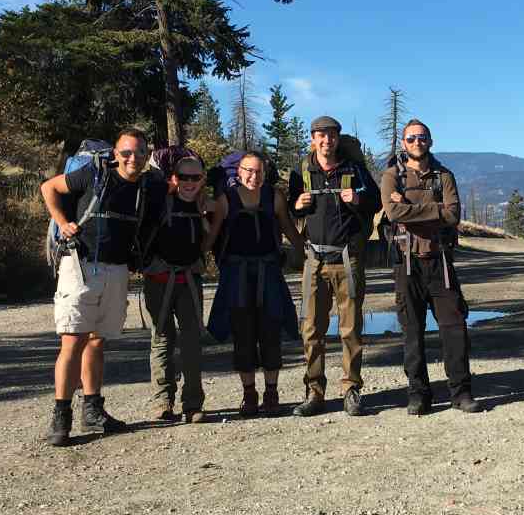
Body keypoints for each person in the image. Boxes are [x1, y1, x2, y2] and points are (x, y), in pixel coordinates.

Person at [40, 129, 162, 446]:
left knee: (97, 340)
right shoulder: (93, 174)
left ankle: (92, 409)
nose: (131, 158)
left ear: (147, 155)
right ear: (116, 154)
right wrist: (62, 221)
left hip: (117, 268)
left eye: (138, 153)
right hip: (79, 265)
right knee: (73, 341)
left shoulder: (146, 187)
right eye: (125, 152)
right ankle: (61, 417)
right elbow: (49, 188)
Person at [380, 119, 482, 415]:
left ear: (430, 141)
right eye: (411, 138)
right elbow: (393, 211)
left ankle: (461, 393)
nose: (417, 142)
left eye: (422, 137)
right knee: (412, 331)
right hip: (407, 263)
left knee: (454, 329)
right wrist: (433, 209)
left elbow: (452, 216)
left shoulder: (444, 176)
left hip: (441, 261)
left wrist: (411, 209)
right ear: (403, 143)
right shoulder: (392, 176)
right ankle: (419, 395)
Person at [288, 116, 382, 417]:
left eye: (331, 135)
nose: (326, 140)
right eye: (321, 136)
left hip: (347, 259)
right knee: (311, 329)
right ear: (312, 139)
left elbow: (376, 201)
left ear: (338, 139)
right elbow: (289, 206)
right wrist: (296, 205)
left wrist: (357, 197)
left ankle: (350, 389)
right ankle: (314, 392)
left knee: (350, 329)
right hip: (314, 261)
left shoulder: (353, 169)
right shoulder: (302, 171)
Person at [204, 152, 304, 417]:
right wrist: (191, 260)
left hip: (269, 273)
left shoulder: (275, 197)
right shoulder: (227, 200)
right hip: (236, 277)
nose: (254, 176)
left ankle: (271, 393)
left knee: (271, 332)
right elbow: (212, 236)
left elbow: (289, 230)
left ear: (265, 172)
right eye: (248, 171)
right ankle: (250, 394)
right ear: (239, 172)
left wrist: (308, 256)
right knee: (243, 334)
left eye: (259, 171)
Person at [142, 156, 208, 423]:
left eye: (195, 177)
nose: (190, 183)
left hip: (190, 280)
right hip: (159, 279)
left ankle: (192, 404)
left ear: (202, 178)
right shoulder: (160, 202)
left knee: (192, 342)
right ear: (174, 178)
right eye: (184, 177)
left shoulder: (205, 205)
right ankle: (163, 402)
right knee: (161, 339)